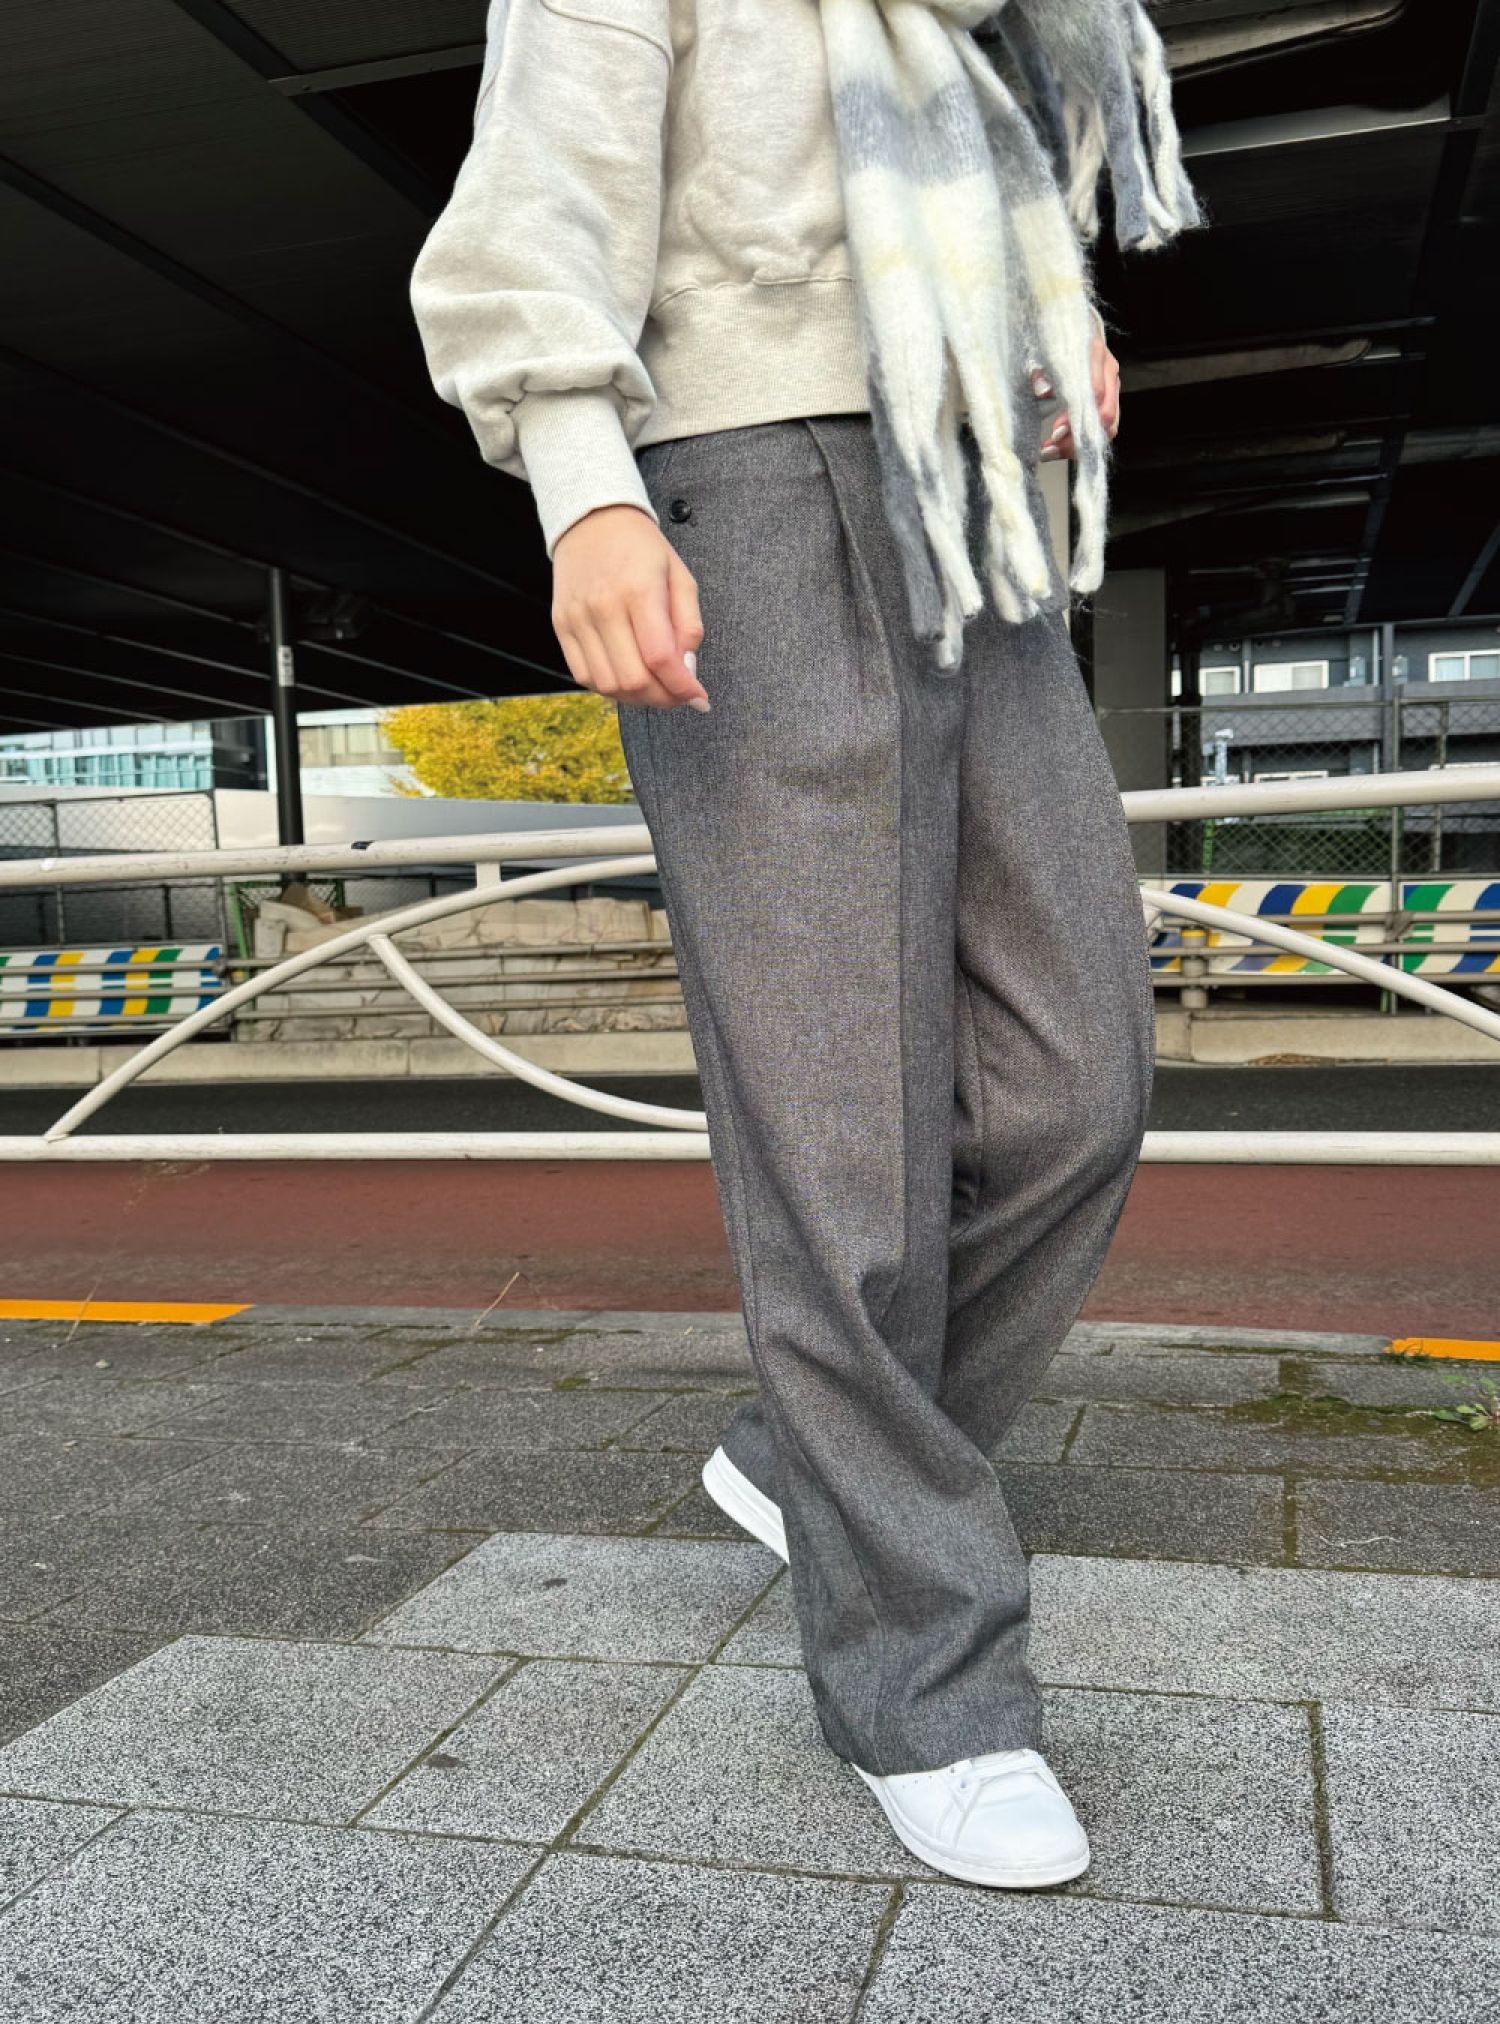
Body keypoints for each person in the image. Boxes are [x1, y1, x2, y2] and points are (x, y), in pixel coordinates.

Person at [411, 0, 1197, 1887]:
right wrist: (588, 490)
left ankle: (810, 1463)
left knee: (1081, 1082)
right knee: (842, 1147)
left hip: (967, 490)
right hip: (746, 482)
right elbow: (538, 194)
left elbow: (988, 177)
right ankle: (925, 1688)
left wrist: (1051, 314)